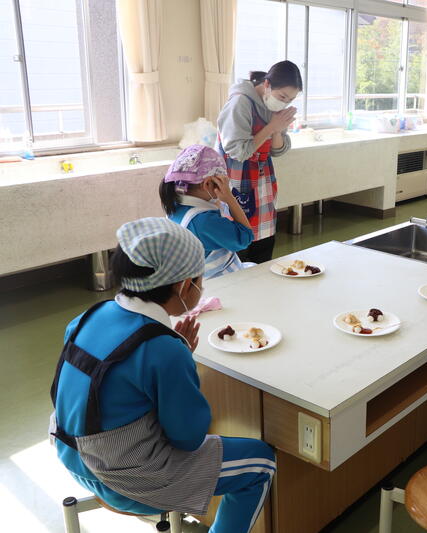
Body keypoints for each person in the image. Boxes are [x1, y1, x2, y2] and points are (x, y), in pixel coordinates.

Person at [49, 218, 276, 533]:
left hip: (70, 455)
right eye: (200, 279)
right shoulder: (163, 349)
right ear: (183, 285)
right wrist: (180, 359)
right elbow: (189, 437)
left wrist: (174, 352)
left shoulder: (89, 316)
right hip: (122, 480)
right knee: (261, 463)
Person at [216, 61, 303, 263]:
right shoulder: (240, 102)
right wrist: (272, 127)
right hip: (235, 183)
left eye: (290, 99)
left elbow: (278, 150)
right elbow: (238, 151)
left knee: (264, 245)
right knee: (238, 245)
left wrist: (278, 129)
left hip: (263, 186)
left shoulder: (272, 106)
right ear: (267, 84)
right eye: (282, 96)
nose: (284, 103)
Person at [160, 144, 255, 279]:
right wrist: (230, 199)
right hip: (221, 284)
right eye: (222, 182)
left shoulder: (175, 206)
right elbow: (245, 237)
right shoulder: (204, 221)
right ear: (207, 184)